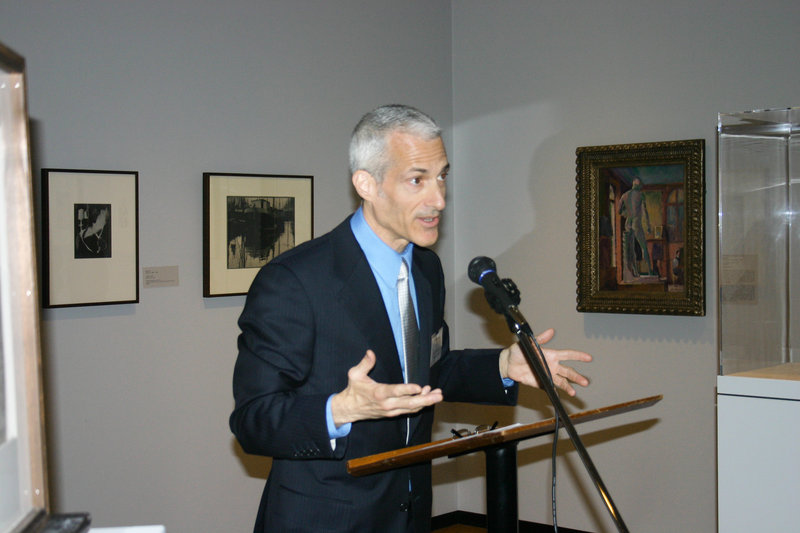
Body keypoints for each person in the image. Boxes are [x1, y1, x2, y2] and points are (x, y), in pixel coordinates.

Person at [229, 104, 592, 533]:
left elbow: (425, 373)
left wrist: (502, 367)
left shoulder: (425, 269)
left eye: (442, 176)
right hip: (323, 520)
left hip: (410, 515)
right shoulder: (294, 281)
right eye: (417, 179)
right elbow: (253, 420)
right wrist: (338, 410)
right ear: (367, 184)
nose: (438, 199)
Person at [618, 178, 653, 278]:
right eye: (641, 185)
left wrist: (627, 214)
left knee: (631, 249)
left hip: (628, 224)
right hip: (636, 224)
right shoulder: (640, 195)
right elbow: (645, 212)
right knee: (644, 248)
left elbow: (619, 211)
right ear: (638, 185)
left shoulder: (624, 195)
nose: (641, 187)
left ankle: (635, 272)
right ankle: (650, 271)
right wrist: (648, 227)